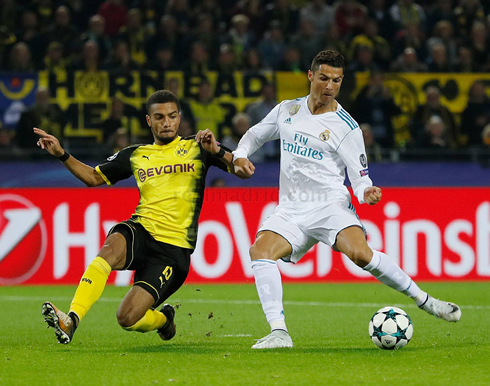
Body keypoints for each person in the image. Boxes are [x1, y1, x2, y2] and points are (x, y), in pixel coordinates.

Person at [232, 50, 461, 349]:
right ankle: (280, 333)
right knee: (260, 252)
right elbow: (254, 135)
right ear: (311, 76)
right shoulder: (286, 110)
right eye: (324, 78)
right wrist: (239, 155)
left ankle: (426, 301)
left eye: (337, 81)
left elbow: (360, 179)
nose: (329, 86)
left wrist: (367, 192)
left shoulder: (347, 127)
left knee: (360, 255)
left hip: (330, 206)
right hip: (291, 209)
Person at [36, 90, 248, 345]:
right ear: (149, 120)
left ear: (179, 118)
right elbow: (93, 177)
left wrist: (218, 151)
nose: (166, 122)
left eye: (171, 116)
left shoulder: (199, 146)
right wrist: (62, 154)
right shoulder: (136, 154)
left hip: (173, 250)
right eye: (159, 117)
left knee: (127, 317)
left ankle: (164, 320)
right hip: (142, 230)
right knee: (110, 248)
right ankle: (71, 319)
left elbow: (244, 170)